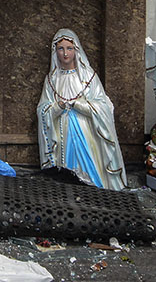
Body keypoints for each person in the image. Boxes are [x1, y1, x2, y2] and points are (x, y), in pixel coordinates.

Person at [36, 28, 128, 191]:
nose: (65, 53)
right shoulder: (51, 80)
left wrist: (79, 105)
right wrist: (58, 107)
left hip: (86, 131)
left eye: (69, 48)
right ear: (55, 51)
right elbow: (43, 109)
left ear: (76, 50)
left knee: (88, 162)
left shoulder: (88, 76)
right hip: (62, 132)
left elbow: (103, 106)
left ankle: (93, 184)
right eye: (61, 49)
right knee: (66, 170)